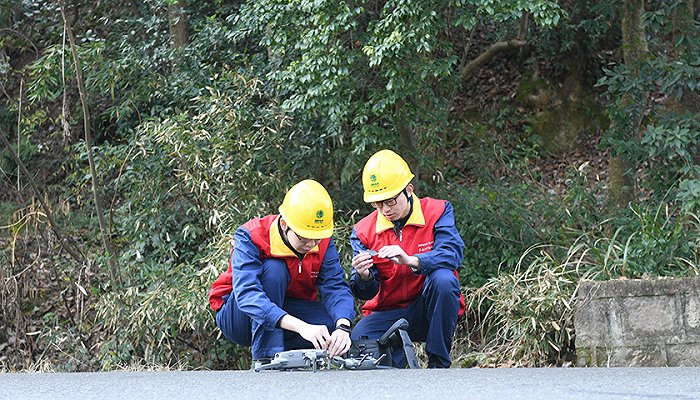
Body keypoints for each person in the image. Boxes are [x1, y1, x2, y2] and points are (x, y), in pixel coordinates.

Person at [208, 179, 356, 367]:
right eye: (304, 238)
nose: (311, 245)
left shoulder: (322, 241)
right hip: (239, 315)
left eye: (316, 239)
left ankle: (292, 359)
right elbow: (247, 294)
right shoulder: (251, 234)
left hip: (288, 308)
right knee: (274, 270)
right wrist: (302, 327)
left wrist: (343, 327)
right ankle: (266, 359)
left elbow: (335, 287)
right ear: (285, 224)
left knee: (329, 328)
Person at [349, 149, 465, 368]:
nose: (384, 209)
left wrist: (412, 260)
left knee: (444, 279)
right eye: (377, 203)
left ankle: (438, 363)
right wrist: (363, 276)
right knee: (360, 337)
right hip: (389, 311)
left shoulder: (438, 211)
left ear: (409, 190)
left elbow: (452, 254)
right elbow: (366, 292)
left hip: (427, 307)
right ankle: (400, 367)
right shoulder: (363, 230)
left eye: (390, 201)